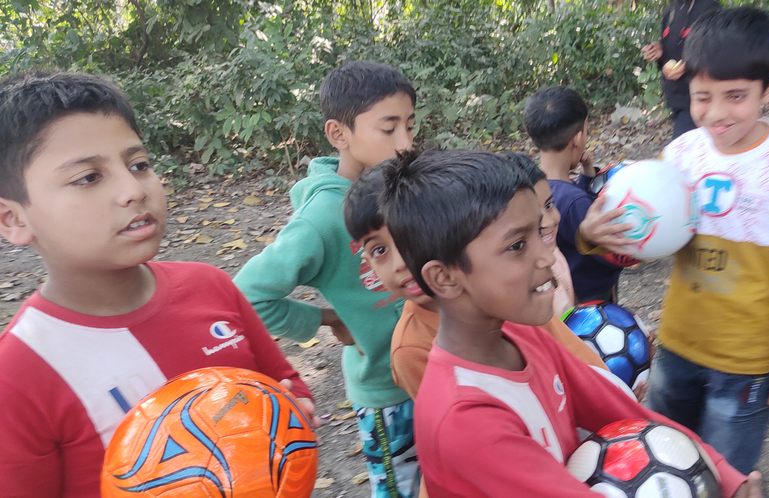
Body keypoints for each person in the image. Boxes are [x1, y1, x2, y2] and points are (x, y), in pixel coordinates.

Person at [378, 149, 763, 498]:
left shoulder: (522, 334)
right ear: (445, 278)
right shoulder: (463, 420)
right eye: (517, 245)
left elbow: (624, 412)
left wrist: (727, 477)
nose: (547, 257)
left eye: (539, 232)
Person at [0, 71, 313, 497]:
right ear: (13, 219)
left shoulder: (210, 286)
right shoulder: (18, 374)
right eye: (89, 177)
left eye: (139, 165)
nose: (133, 189)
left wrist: (292, 417)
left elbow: (285, 385)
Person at [587, 7, 769, 474]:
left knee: (723, 474)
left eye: (736, 96)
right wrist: (596, 237)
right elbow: (649, 241)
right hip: (676, 348)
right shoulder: (681, 154)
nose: (717, 113)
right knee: (663, 461)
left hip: (744, 370)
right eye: (702, 97)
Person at [233, 61, 417, 497]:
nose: (406, 143)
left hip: (433, 367)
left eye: (410, 126)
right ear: (338, 134)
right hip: (387, 392)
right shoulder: (320, 218)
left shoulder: (402, 187)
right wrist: (326, 318)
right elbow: (246, 296)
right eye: (388, 128)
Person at [342, 153, 606, 400]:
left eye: (408, 240)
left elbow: (584, 367)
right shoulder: (411, 351)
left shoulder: (510, 293)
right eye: (379, 250)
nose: (401, 263)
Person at [523, 86, 636, 303]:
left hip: (564, 289)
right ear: (577, 138)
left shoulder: (534, 185)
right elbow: (607, 253)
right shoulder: (575, 201)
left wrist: (586, 176)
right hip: (590, 297)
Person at [640, 0, 721, 139]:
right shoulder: (671, 9)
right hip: (675, 96)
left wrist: (688, 65)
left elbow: (717, 50)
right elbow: (667, 46)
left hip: (697, 97)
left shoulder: (710, 8)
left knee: (683, 145)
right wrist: (659, 52)